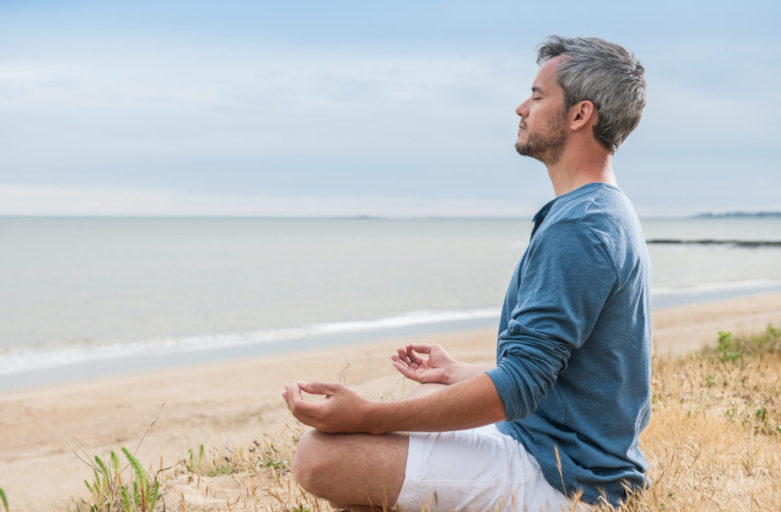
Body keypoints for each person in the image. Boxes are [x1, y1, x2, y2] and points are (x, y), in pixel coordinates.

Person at [282, 35, 651, 511]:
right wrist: (459, 373)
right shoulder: (599, 211)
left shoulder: (581, 227)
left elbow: (518, 387)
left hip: (568, 481)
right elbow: (563, 374)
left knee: (323, 455)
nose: (521, 107)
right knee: (369, 460)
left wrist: (367, 415)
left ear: (581, 115)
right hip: (553, 450)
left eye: (538, 97)